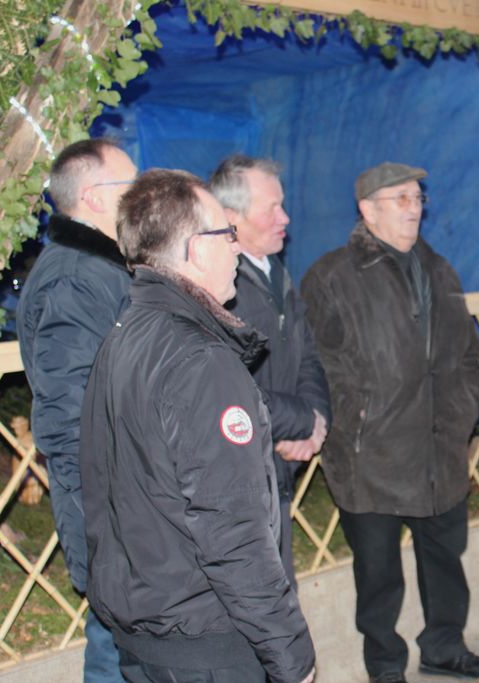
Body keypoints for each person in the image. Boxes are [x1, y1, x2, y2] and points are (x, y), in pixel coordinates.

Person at [79, 169, 316, 683]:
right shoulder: (201, 361)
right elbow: (232, 528)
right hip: (205, 639)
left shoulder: (123, 337)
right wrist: (290, 653)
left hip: (148, 628)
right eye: (226, 234)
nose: (236, 248)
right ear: (195, 248)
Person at [300, 162, 479, 683]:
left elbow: (465, 355)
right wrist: (354, 423)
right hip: (371, 455)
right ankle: (385, 668)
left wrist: (460, 415)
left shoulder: (440, 270)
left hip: (438, 448)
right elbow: (317, 365)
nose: (414, 209)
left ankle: (444, 648)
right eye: (401, 199)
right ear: (368, 211)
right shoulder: (333, 275)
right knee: (378, 575)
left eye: (418, 198)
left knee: (445, 560)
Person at [16, 138, 136, 683]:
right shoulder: (76, 277)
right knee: (118, 649)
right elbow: (68, 418)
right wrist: (117, 512)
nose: (141, 195)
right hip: (112, 504)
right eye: (131, 184)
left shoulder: (100, 268)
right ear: (93, 197)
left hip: (124, 499)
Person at [209, 155, 330, 587]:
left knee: (279, 589)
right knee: (259, 596)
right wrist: (296, 423)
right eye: (272, 208)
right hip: (239, 471)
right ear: (231, 217)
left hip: (277, 463)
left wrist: (314, 420)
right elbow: (226, 387)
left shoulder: (274, 272)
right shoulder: (219, 287)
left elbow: (308, 355)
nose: (286, 218)